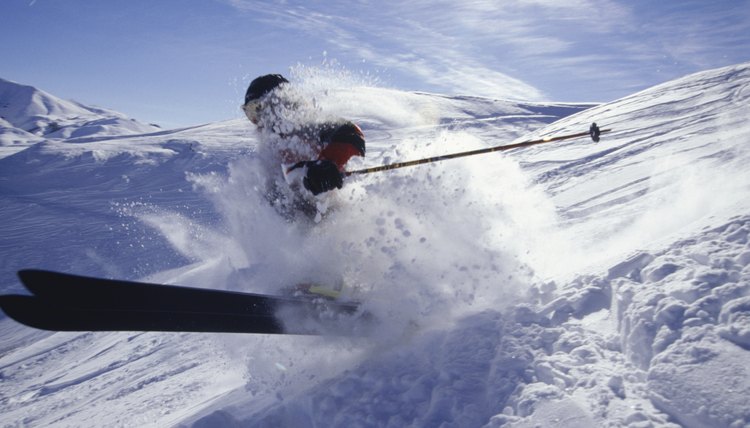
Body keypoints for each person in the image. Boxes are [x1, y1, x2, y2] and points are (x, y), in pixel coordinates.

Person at [242, 74, 366, 218]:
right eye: (249, 113)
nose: (256, 119)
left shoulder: (305, 124)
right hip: (299, 228)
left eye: (257, 108)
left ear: (279, 102)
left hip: (337, 218)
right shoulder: (269, 146)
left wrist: (327, 164)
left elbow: (352, 134)